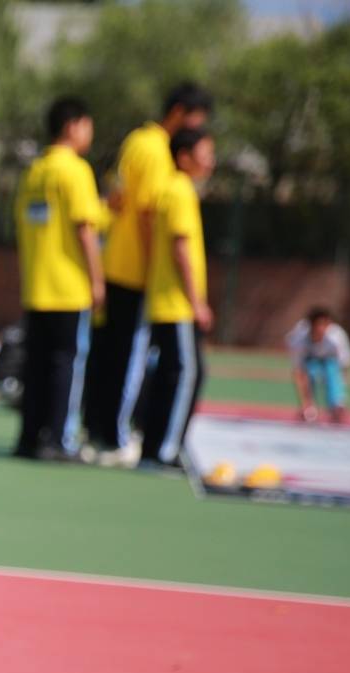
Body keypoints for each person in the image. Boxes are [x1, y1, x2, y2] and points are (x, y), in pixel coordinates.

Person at [81, 82, 213, 467]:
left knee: (111, 355)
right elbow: (146, 215)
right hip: (138, 270)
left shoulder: (136, 140)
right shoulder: (158, 153)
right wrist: (159, 266)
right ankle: (117, 436)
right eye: (195, 122)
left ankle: (102, 430)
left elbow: (118, 196)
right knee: (129, 359)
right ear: (178, 112)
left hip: (117, 263)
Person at [12, 96, 104, 461]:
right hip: (68, 287)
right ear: (73, 125)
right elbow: (85, 229)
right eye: (88, 125)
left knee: (35, 365)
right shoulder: (75, 171)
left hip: (37, 284)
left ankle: (28, 438)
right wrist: (97, 280)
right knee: (65, 364)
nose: (89, 133)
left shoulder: (34, 172)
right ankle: (56, 440)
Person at [139, 127, 215, 468]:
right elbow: (180, 248)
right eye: (205, 153)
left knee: (170, 373)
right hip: (176, 302)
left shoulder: (169, 189)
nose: (210, 160)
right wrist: (196, 300)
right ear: (184, 156)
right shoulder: (180, 191)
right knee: (185, 372)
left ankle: (152, 445)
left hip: (167, 300)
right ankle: (165, 449)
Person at [287, 307, 350, 423]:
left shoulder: (337, 337)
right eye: (318, 325)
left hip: (330, 362)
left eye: (324, 325)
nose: (321, 329)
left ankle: (336, 406)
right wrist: (305, 403)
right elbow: (298, 371)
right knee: (310, 372)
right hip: (309, 362)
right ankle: (310, 408)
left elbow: (343, 366)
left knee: (331, 370)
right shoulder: (299, 338)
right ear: (310, 325)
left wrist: (340, 396)